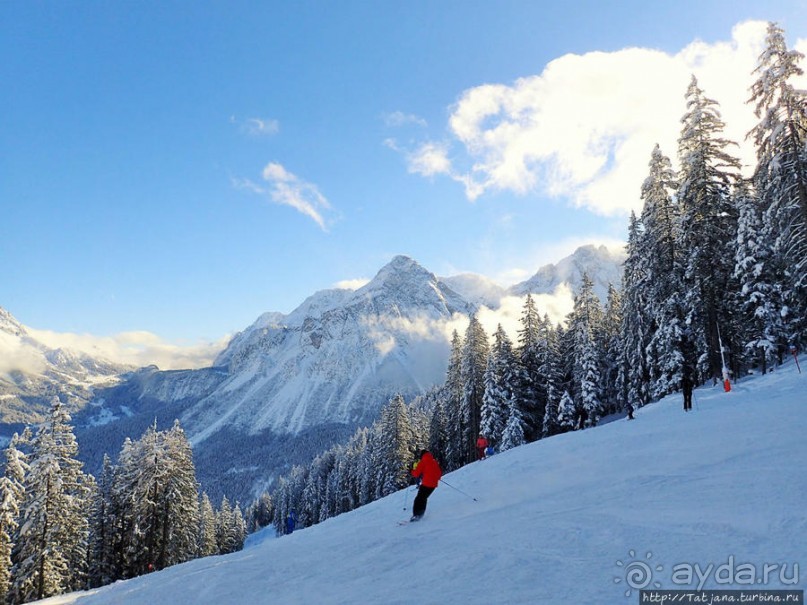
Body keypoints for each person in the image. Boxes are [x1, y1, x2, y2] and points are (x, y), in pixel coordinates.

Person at [410, 449, 442, 521]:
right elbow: (439, 474)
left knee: (418, 499)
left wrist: (411, 471)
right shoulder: (434, 461)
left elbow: (416, 474)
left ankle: (416, 515)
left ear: (422, 455)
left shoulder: (423, 462)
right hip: (433, 485)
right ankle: (420, 514)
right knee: (423, 498)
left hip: (426, 484)